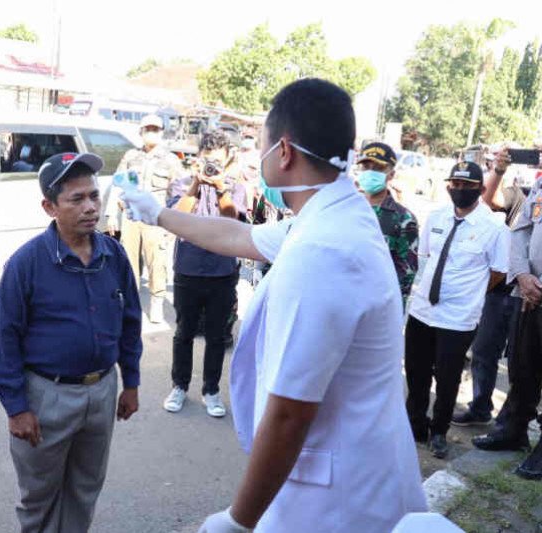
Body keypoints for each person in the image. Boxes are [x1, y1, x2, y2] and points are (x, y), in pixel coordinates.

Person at [123, 78, 426, 532]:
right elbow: (240, 236)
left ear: (283, 152)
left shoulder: (323, 250)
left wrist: (238, 520)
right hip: (351, 474)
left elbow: (290, 413)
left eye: (260, 144)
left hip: (337, 499)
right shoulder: (334, 217)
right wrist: (157, 213)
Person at [0, 152, 142, 532]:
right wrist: (16, 408)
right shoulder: (26, 264)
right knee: (39, 497)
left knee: (84, 490)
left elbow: (130, 321)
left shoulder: (114, 255)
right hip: (46, 398)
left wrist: (131, 383)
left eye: (94, 196)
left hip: (102, 391)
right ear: (49, 207)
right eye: (77, 199)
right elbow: (4, 341)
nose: (91, 207)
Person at [404, 161, 509, 459]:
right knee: (416, 372)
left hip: (458, 318)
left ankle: (438, 431)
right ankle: (415, 426)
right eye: (455, 184)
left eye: (467, 186)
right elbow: (426, 256)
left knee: (448, 379)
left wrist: (471, 292)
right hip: (423, 310)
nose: (459, 190)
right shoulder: (436, 216)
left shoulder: (494, 228)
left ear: (481, 189)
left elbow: (499, 271)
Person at [162, 130, 246, 418]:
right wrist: (196, 184)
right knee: (184, 332)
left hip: (222, 271)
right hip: (188, 268)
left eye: (217, 162)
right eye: (207, 160)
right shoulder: (183, 183)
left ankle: (211, 390)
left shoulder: (235, 186)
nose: (212, 166)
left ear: (227, 161)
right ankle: (179, 386)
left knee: (216, 336)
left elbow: (231, 219)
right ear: (198, 158)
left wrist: (221, 186)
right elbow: (177, 219)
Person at [472, 152, 542, 480]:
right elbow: (521, 232)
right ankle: (514, 431)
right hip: (529, 295)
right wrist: (522, 275)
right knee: (522, 367)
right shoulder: (540, 185)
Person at [451, 147, 526, 427]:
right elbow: (490, 199)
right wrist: (499, 170)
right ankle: (481, 407)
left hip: (535, 295)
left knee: (523, 361)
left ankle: (514, 422)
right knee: (484, 351)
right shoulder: (524, 194)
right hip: (504, 289)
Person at [105, 114, 182, 323]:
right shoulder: (131, 156)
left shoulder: (171, 160)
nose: (152, 133)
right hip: (131, 216)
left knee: (156, 261)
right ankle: (131, 303)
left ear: (161, 132)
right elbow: (118, 183)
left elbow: (179, 194)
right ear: (141, 132)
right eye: (148, 129)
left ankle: (156, 302)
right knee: (129, 261)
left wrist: (173, 225)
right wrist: (112, 213)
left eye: (155, 129)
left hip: (157, 218)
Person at [356, 142, 419, 307]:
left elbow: (405, 275)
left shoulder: (404, 220)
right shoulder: (346, 210)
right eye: (366, 167)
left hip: (377, 309)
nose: (370, 172)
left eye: (377, 168)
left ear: (391, 174)